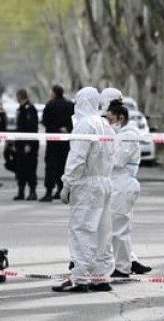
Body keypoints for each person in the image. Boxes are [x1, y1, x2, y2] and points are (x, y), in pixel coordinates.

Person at [53, 87, 115, 293]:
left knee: (82, 230)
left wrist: (67, 183)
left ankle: (80, 278)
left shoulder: (84, 125)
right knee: (102, 232)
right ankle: (100, 277)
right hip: (104, 182)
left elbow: (78, 158)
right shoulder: (105, 125)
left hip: (87, 184)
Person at [107, 101, 145, 278]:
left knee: (119, 229)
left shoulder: (128, 136)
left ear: (120, 118)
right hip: (118, 184)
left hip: (123, 184)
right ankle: (125, 263)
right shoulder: (121, 135)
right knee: (117, 227)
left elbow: (117, 160)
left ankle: (122, 268)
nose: (108, 122)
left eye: (110, 119)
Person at [40, 85, 75, 201]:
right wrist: (66, 129)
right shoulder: (70, 105)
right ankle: (62, 189)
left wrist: (56, 129)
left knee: (51, 166)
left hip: (53, 140)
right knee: (63, 165)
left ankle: (49, 192)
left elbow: (45, 121)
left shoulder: (50, 105)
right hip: (66, 140)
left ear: (54, 93)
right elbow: (74, 121)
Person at [14, 89, 40, 201]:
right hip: (20, 143)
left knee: (30, 168)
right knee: (21, 168)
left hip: (28, 145)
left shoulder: (30, 109)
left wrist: (29, 143)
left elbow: (32, 127)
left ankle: (32, 192)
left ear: (20, 96)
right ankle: (21, 192)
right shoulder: (21, 109)